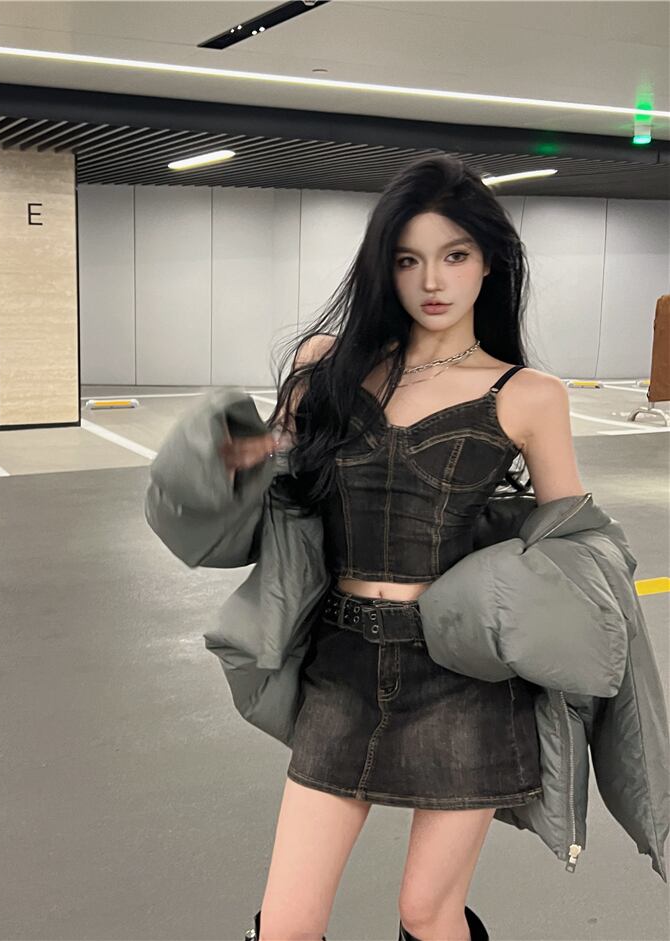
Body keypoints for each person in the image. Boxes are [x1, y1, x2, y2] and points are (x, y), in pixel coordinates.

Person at [219, 155, 588, 941]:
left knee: (426, 909)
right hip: (343, 664)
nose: (433, 280)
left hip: (462, 675)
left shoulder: (528, 394)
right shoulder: (330, 367)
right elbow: (267, 477)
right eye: (408, 258)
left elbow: (571, 550)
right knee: (285, 924)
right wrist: (237, 459)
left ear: (490, 261)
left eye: (455, 254)